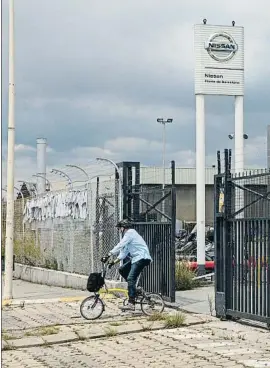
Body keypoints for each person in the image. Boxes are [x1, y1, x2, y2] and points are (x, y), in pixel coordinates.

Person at [106, 219, 152, 311]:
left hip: (141, 257)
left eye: (119, 228)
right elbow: (124, 252)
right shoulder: (128, 237)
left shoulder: (130, 233)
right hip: (136, 258)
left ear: (123, 228)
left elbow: (120, 244)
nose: (119, 231)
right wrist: (113, 262)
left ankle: (131, 303)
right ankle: (135, 289)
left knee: (131, 278)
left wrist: (109, 254)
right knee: (122, 270)